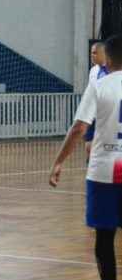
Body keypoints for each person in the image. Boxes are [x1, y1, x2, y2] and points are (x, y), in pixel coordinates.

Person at [49, 35, 122, 280]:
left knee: (104, 236)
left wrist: (58, 161)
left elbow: (79, 127)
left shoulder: (100, 85)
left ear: (107, 59)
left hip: (103, 170)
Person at [85, 42, 109, 157]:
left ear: (103, 53)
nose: (92, 55)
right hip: (93, 114)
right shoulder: (93, 71)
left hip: (106, 115)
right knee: (88, 147)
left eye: (95, 53)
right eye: (91, 53)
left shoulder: (113, 70)